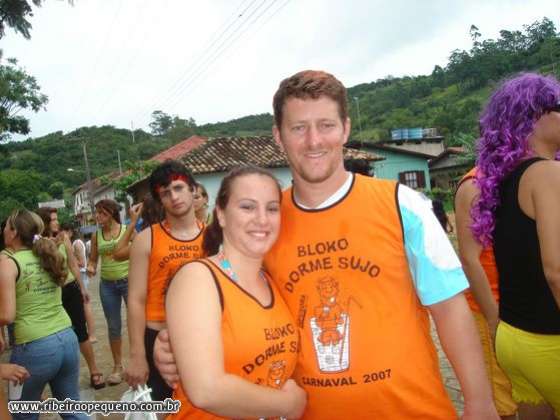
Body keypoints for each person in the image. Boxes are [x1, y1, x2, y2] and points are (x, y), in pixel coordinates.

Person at [155, 70, 498, 419]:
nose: (313, 141)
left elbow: (449, 308)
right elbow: (223, 295)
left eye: (326, 125)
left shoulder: (401, 204)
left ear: (345, 129)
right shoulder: (266, 222)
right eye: (298, 128)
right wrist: (173, 343)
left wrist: (480, 402)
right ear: (278, 136)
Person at [166, 165, 305, 419]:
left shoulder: (272, 281)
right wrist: (288, 404)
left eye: (272, 208)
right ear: (221, 214)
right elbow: (206, 390)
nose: (262, 219)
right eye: (247, 207)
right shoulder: (198, 278)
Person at [472, 73, 560, 419]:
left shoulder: (502, 181)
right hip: (549, 340)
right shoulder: (548, 174)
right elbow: (556, 271)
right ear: (533, 117)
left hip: (514, 338)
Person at [124, 160, 206, 402]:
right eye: (165, 192)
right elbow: (136, 300)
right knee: (162, 409)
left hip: (202, 336)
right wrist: (137, 355)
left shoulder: (213, 237)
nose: (174, 197)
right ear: (160, 200)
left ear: (192, 190)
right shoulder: (146, 239)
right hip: (157, 336)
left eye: (178, 188)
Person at [0, 209, 87, 419]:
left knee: (23, 414)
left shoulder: (9, 263)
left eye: (6, 226)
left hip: (34, 346)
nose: (3, 231)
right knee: (73, 410)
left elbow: (7, 315)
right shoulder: (49, 256)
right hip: (67, 338)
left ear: (14, 232)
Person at [455, 169, 517, 419]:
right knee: (502, 402)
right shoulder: (475, 185)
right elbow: (470, 260)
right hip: (493, 308)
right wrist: (493, 320)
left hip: (529, 307)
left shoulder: (537, 172)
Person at [36, 209, 105, 390]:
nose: (57, 222)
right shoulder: (37, 242)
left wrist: (82, 288)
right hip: (51, 292)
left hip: (70, 288)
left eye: (56, 219)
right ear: (44, 221)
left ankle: (94, 370)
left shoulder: (63, 237)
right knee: (53, 335)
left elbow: (73, 264)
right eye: (53, 219)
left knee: (81, 331)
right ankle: (49, 379)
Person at [87, 199, 129, 386]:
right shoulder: (96, 236)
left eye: (101, 213)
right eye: (96, 213)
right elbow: (93, 259)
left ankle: (141, 361)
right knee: (113, 326)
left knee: (136, 323)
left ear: (111, 213)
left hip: (129, 281)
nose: (97, 216)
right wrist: (91, 267)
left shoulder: (126, 230)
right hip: (107, 285)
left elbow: (139, 251)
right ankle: (118, 367)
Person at [70, 225, 97, 344]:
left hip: (81, 274)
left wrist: (69, 259)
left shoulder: (76, 243)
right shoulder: (78, 242)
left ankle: (91, 334)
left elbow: (81, 263)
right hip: (81, 275)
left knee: (85, 304)